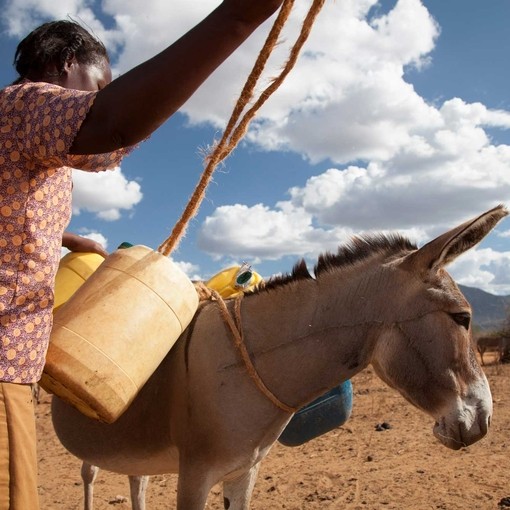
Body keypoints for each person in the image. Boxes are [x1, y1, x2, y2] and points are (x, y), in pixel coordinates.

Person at [0, 2, 284, 508]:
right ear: (67, 64)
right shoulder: (24, 106)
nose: (100, 95)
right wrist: (239, 18)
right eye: (98, 83)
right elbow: (112, 127)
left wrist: (68, 239)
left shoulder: (20, 140)